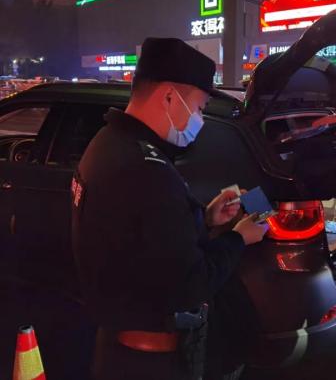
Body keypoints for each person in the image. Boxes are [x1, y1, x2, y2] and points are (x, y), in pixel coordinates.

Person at [71, 38, 268, 380]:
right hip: (148, 361)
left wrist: (205, 218)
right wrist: (238, 238)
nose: (199, 118)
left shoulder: (107, 144)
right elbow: (189, 284)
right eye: (200, 107)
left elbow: (143, 239)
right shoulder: (146, 169)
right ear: (168, 97)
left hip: (116, 347)